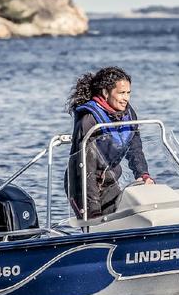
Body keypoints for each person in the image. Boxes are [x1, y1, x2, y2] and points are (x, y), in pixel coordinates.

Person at [64, 66, 153, 219]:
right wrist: (93, 211)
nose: (126, 98)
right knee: (97, 223)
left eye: (128, 93)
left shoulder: (129, 114)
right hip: (82, 185)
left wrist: (143, 174)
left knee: (125, 220)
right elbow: (86, 169)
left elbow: (135, 149)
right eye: (121, 93)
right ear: (105, 93)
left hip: (109, 182)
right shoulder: (89, 120)